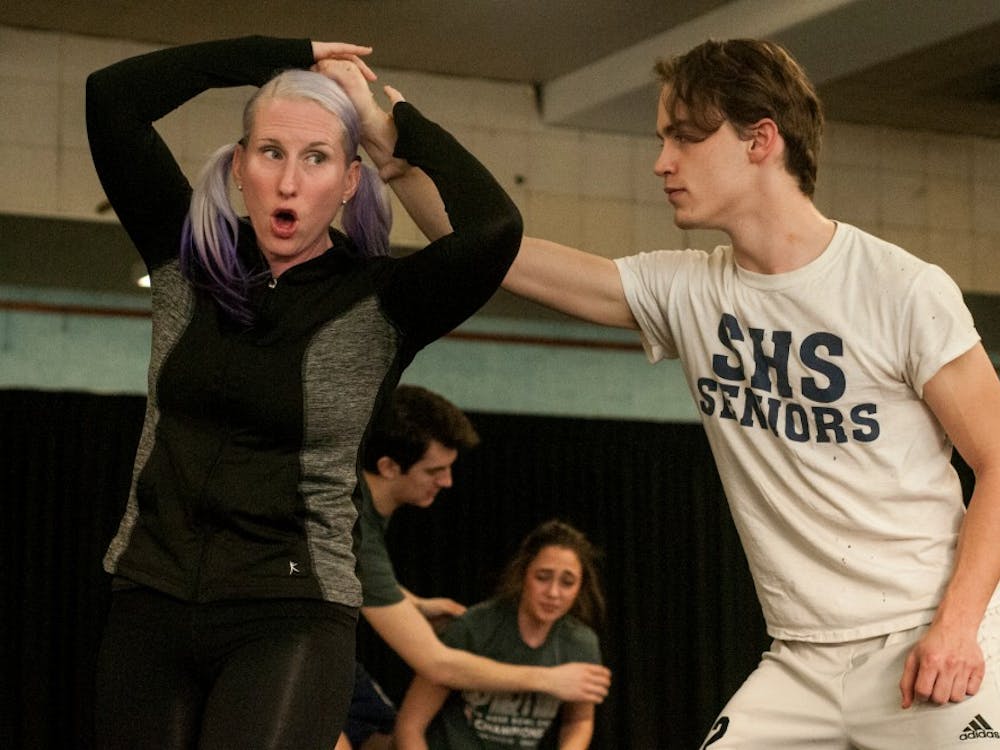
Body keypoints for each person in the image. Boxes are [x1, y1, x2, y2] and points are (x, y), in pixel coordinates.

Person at [351, 37, 1000, 749]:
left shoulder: (901, 289)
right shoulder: (688, 290)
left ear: (761, 140)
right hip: (802, 660)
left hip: (929, 639)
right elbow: (498, 259)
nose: (662, 161)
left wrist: (958, 625)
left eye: (685, 137)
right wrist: (396, 162)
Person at [85, 35, 524, 750]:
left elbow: (496, 228)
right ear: (240, 167)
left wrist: (384, 126)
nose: (289, 182)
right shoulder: (186, 259)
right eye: (271, 152)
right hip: (149, 597)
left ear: (350, 182)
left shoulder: (383, 301)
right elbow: (112, 97)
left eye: (316, 158)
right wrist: (288, 54)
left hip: (289, 609)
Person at [335, 385, 612, 750]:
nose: (447, 481)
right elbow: (437, 667)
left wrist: (413, 604)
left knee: (379, 739)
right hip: (287, 650)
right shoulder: (351, 521)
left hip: (332, 662)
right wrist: (549, 679)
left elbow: (349, 574)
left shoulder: (579, 641)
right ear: (389, 467)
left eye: (568, 581)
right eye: (435, 470)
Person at [393, 519, 606, 749]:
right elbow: (409, 726)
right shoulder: (477, 627)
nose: (553, 593)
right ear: (523, 574)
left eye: (567, 582)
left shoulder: (580, 642)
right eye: (543, 577)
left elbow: (579, 720)